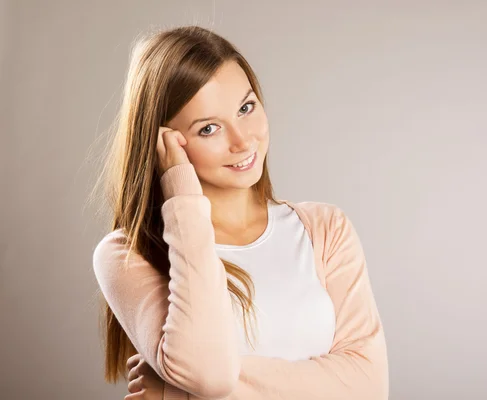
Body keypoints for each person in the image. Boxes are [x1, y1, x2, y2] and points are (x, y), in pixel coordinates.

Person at [91, 25, 389, 400]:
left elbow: (368, 385)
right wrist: (182, 199)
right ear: (163, 144)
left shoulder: (325, 230)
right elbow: (208, 375)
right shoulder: (129, 254)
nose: (243, 140)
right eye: (209, 128)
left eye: (246, 108)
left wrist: (176, 391)